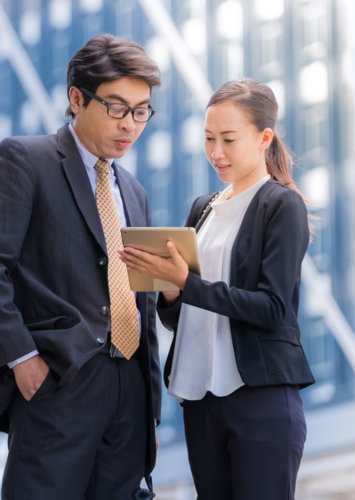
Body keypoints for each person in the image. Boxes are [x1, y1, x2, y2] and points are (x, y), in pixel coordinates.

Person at [0, 34, 165, 498]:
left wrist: (149, 407)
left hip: (129, 393)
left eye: (141, 110)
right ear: (76, 98)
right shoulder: (27, 160)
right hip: (59, 379)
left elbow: (141, 303)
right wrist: (22, 359)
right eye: (116, 107)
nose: (130, 124)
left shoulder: (135, 192)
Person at [121, 79, 314, 499]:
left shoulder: (281, 205)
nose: (216, 153)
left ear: (264, 138)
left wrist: (186, 284)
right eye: (209, 139)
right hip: (201, 398)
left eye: (228, 139)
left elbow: (273, 308)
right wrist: (170, 291)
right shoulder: (202, 208)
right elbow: (181, 312)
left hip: (259, 399)